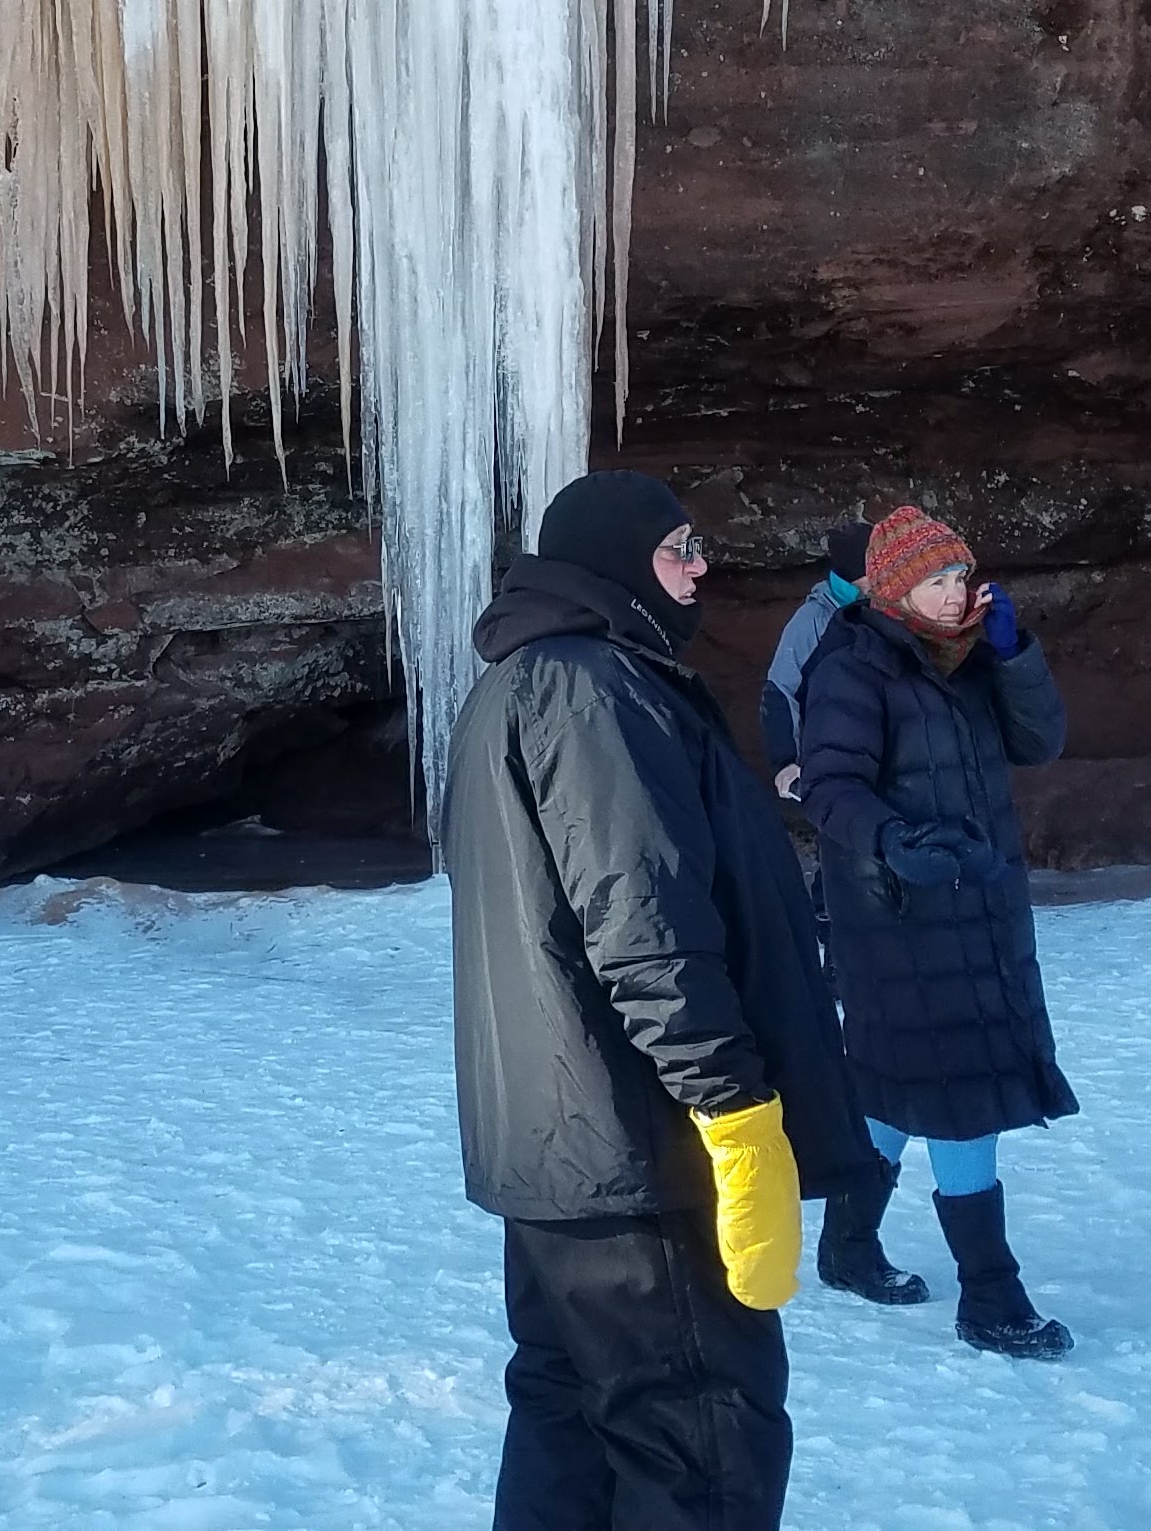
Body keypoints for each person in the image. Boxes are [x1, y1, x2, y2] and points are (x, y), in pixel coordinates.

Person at [449, 469, 888, 1531]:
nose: (703, 569)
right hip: (644, 1146)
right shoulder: (593, 688)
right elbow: (643, 926)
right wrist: (733, 1112)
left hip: (561, 1154)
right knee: (702, 1436)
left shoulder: (527, 685)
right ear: (612, 560)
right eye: (679, 548)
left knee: (572, 1417)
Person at [777, 504, 1079, 1357]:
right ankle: (991, 1294)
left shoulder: (974, 659)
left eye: (961, 577)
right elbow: (829, 786)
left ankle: (846, 1243)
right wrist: (893, 841)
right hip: (896, 912)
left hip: (979, 901)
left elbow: (1041, 742)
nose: (956, 594)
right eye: (939, 580)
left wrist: (1016, 656)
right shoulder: (852, 667)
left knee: (892, 1084)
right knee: (959, 1093)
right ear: (896, 587)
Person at [755, 519, 873, 780]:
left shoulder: (895, 608)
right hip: (833, 761)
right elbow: (780, 690)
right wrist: (786, 762)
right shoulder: (812, 621)